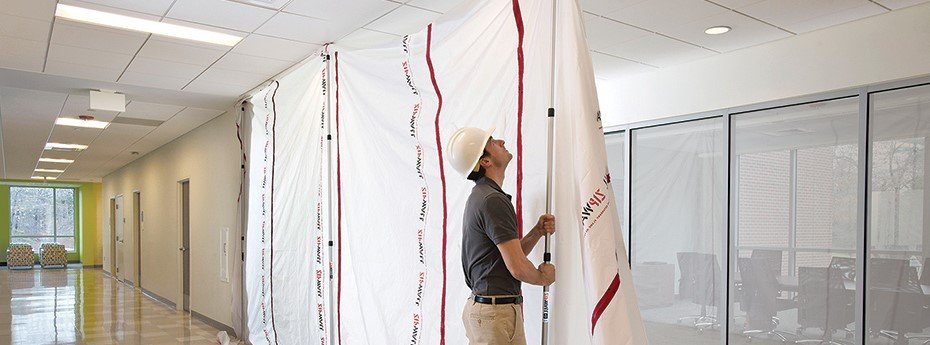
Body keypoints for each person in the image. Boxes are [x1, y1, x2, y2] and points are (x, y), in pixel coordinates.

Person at [447, 127, 556, 345]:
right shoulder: (492, 200)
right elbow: (517, 267)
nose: (502, 141)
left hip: (495, 312)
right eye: (493, 142)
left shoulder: (485, 196)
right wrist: (543, 277)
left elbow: (507, 259)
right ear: (485, 161)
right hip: (494, 315)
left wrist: (536, 232)